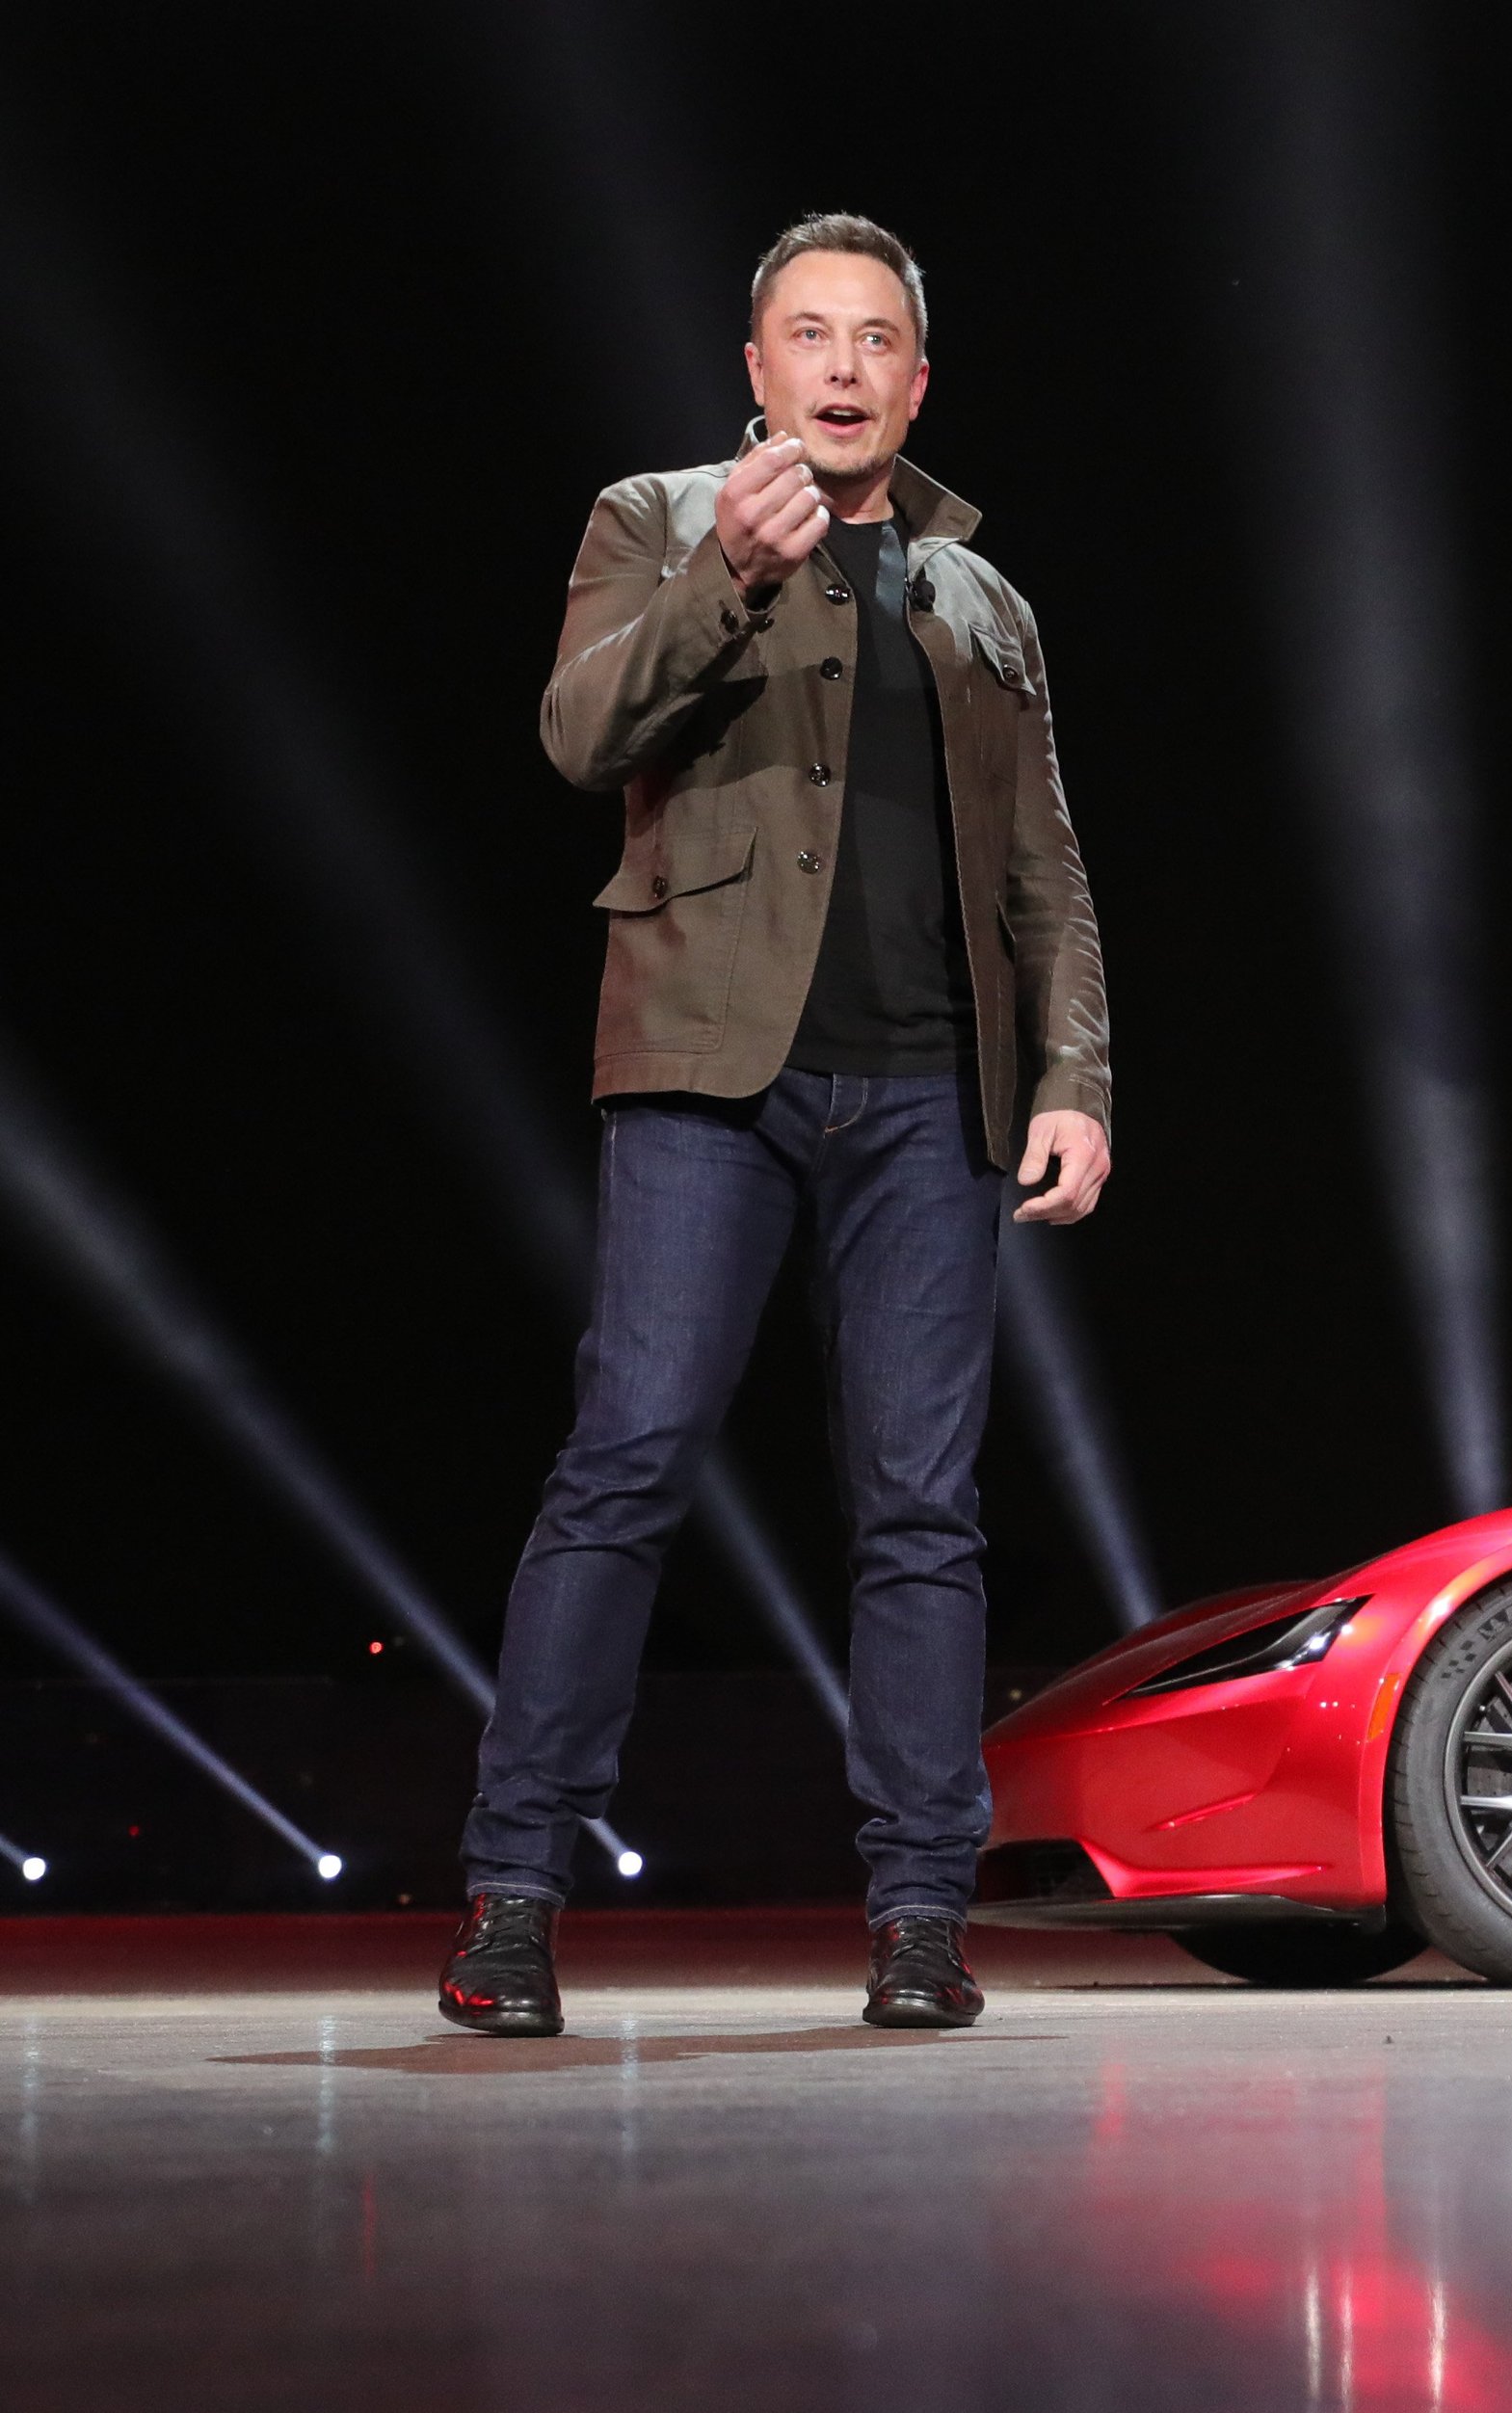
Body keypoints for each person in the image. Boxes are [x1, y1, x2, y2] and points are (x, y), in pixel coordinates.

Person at [437, 213, 1114, 2036]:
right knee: (631, 1452)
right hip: (706, 1071)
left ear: (916, 379)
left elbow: (1044, 866)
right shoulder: (656, 520)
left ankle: (921, 1917)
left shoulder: (981, 597)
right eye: (808, 335)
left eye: (874, 339)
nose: (841, 366)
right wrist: (728, 575)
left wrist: (1073, 1080)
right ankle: (514, 1896)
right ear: (756, 369)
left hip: (934, 1092)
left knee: (921, 1509)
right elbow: (581, 735)